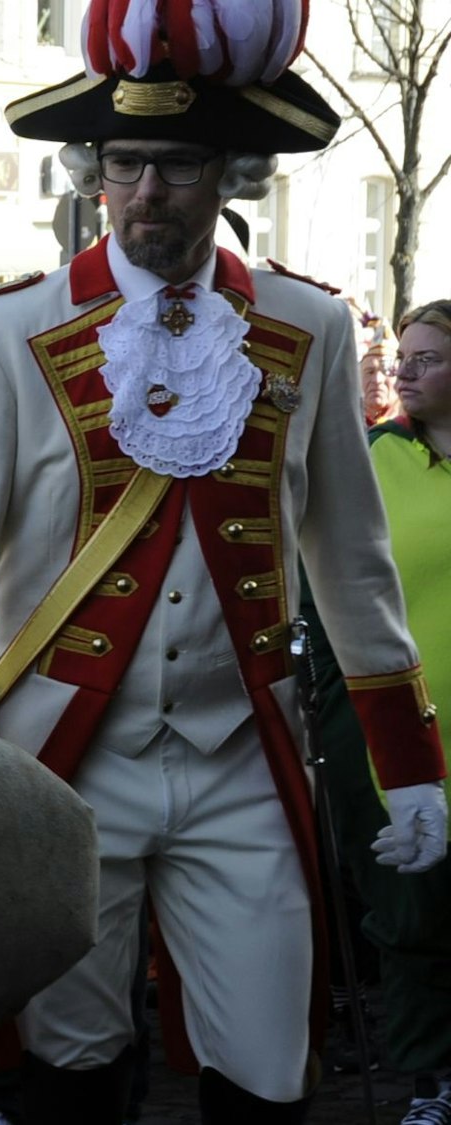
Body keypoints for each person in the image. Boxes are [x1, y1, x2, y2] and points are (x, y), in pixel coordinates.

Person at [0, 3, 450, 1118]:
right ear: (94, 170)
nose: (146, 191)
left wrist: (408, 762)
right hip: (56, 763)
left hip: (240, 752)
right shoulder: (4, 333)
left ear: (226, 173)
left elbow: (350, 559)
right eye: (125, 161)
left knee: (270, 1062)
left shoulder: (308, 325)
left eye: (176, 164)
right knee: (69, 1063)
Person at [308, 298, 451, 1125]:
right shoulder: (372, 460)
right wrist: (338, 714)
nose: (404, 369)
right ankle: (433, 1077)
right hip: (395, 735)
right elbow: (324, 593)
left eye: (429, 357)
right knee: (409, 913)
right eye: (404, 354)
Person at [361, 335, 401, 428]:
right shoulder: (344, 422)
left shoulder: (413, 425)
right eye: (370, 372)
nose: (377, 380)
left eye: (386, 371)